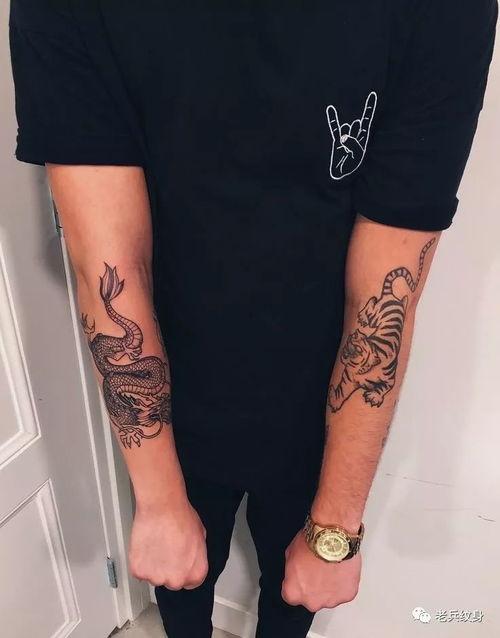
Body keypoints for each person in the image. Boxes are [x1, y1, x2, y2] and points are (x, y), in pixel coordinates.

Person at [9, 1, 497, 636]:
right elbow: (109, 268)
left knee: (292, 606)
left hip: (323, 408)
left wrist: (335, 530)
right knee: (182, 597)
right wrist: (159, 500)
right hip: (168, 403)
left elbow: (386, 297)